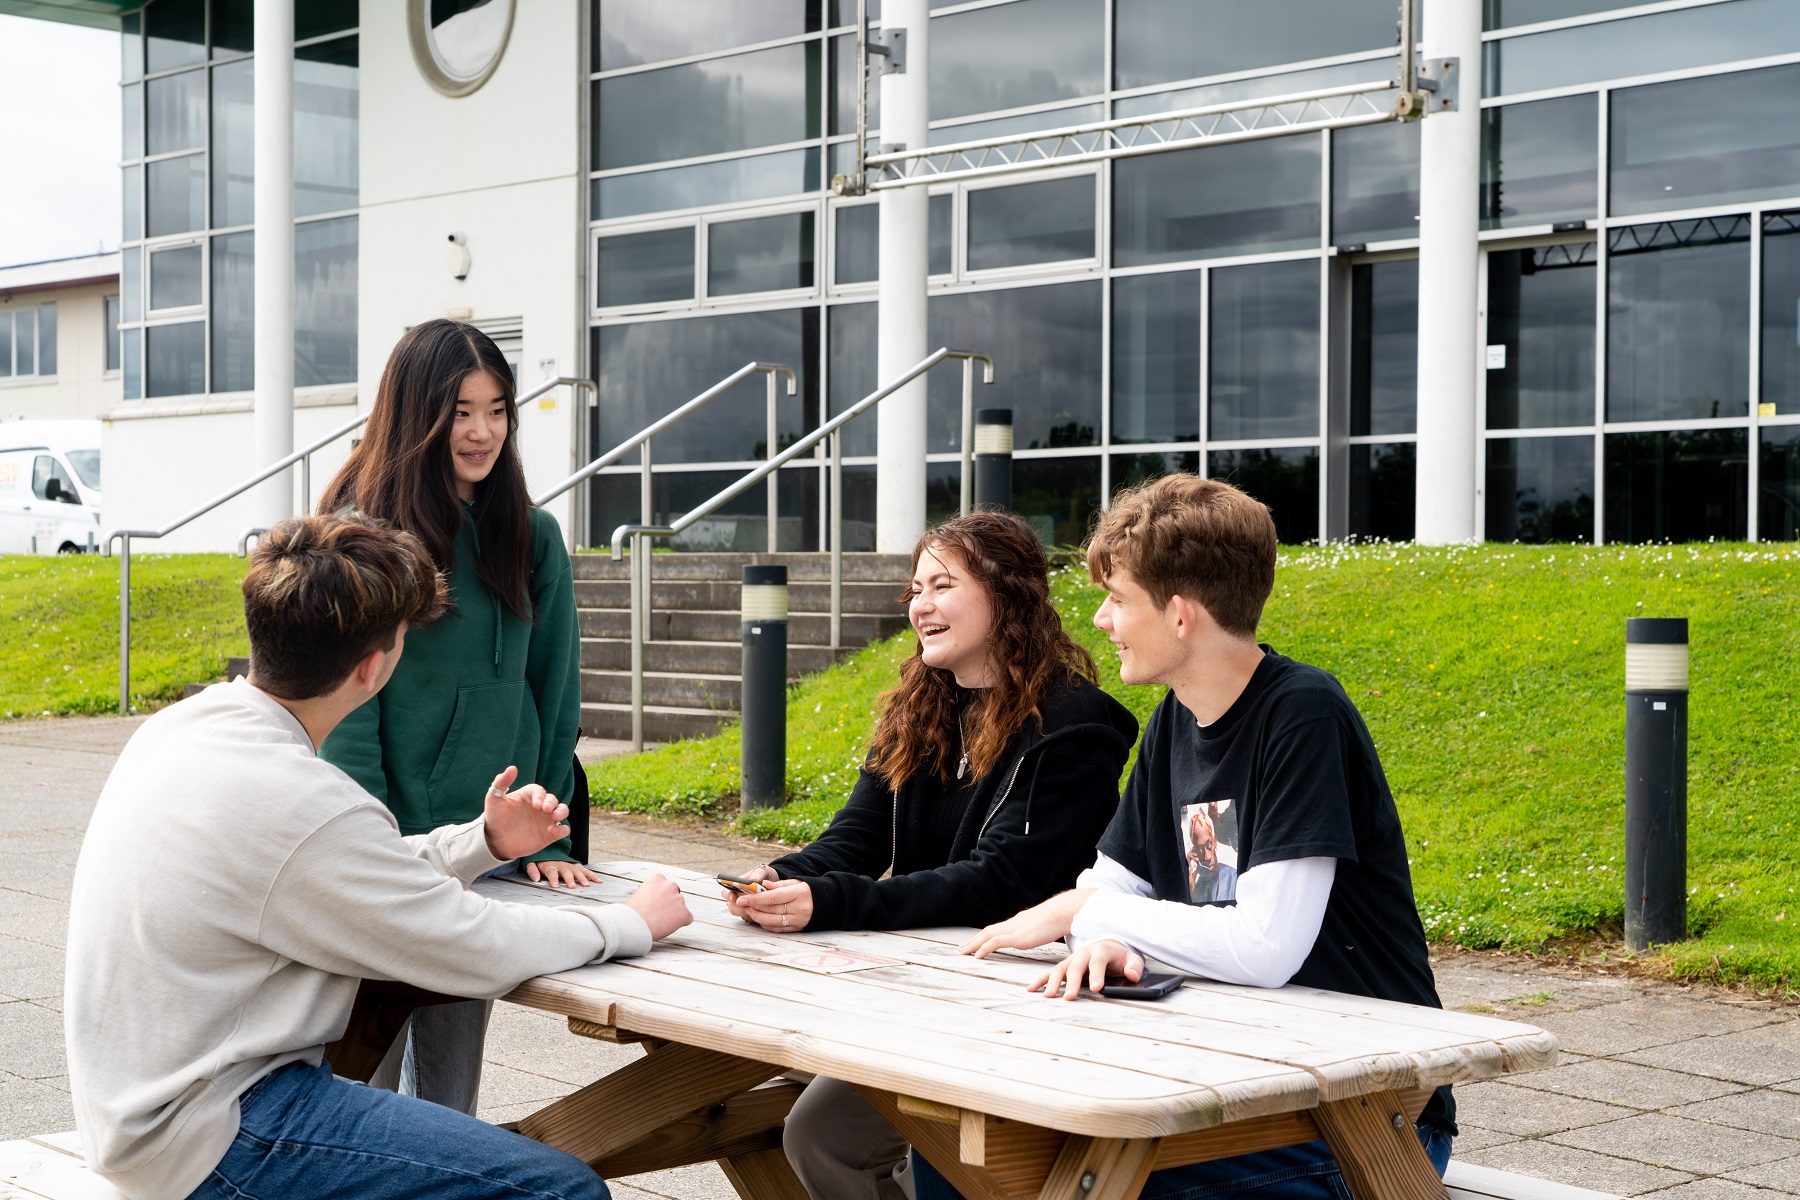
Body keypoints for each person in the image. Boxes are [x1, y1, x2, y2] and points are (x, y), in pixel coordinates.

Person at [65, 514, 693, 1200]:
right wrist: (630, 922)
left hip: (143, 1115)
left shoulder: (184, 730)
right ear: (374, 667)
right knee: (560, 1190)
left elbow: (332, 867)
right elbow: (470, 941)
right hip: (217, 1132)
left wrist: (481, 842)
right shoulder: (304, 800)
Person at [951, 474, 1456, 1200]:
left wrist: (1084, 916)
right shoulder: (1175, 720)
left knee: (1077, 1180)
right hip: (1247, 1078)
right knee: (966, 1156)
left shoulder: (1303, 716)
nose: (1100, 620)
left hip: (1367, 1122)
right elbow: (1111, 884)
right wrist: (1100, 932)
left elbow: (1264, 947)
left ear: (1180, 615)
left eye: (1118, 600)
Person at [723, 511, 1139, 1200]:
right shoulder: (921, 708)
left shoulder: (1074, 727)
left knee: (842, 1138)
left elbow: (1002, 885)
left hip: (1026, 1001)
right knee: (820, 1136)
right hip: (926, 991)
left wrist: (832, 903)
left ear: (1008, 596)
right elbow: (856, 837)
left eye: (942, 585)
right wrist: (783, 877)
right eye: (916, 588)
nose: (920, 605)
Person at [316, 319, 589, 1114]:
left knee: (447, 1090)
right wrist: (370, 839)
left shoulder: (531, 536)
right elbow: (347, 711)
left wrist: (550, 831)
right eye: (460, 410)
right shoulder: (359, 530)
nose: (482, 432)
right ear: (416, 413)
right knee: (355, 1076)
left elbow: (555, 691)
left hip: (491, 849)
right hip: (389, 850)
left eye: (497, 409)